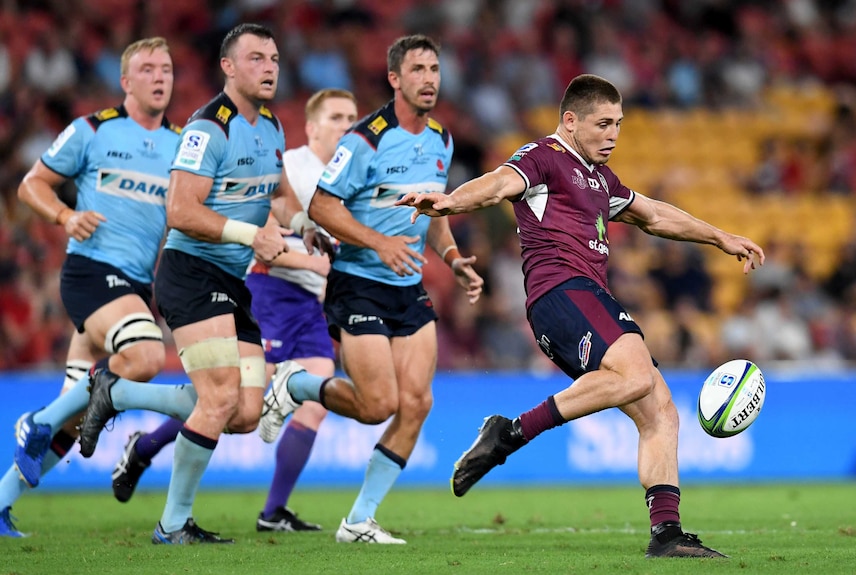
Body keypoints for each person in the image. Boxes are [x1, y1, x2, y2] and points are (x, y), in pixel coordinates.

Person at [395, 73, 765, 559]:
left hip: (586, 296)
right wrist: (449, 202)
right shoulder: (543, 157)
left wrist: (719, 236)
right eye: (603, 124)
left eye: (619, 125)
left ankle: (667, 534)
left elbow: (652, 215)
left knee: (660, 410)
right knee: (635, 374)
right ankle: (511, 432)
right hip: (561, 291)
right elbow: (497, 184)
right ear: (570, 121)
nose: (613, 135)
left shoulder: (599, 178)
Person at [77, 23, 330, 545]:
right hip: (190, 272)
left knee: (242, 412)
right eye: (256, 58)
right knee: (216, 398)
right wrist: (249, 234)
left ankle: (117, 392)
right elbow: (180, 209)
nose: (269, 67)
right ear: (229, 68)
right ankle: (172, 526)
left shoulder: (273, 128)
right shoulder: (207, 129)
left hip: (232, 280)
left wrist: (304, 225)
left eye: (275, 58)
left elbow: (278, 196)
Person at [259, 34, 484, 544]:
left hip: (408, 287)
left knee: (418, 403)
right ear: (395, 79)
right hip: (358, 283)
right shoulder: (366, 139)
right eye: (418, 70)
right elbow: (321, 206)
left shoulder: (442, 140)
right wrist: (379, 242)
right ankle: (294, 386)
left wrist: (452, 260)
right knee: (377, 404)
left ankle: (358, 520)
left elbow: (435, 210)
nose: (429, 78)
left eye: (434, 68)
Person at [109, 89, 359, 535]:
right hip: (271, 289)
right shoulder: (296, 165)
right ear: (313, 126)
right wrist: (312, 260)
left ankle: (273, 510)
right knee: (233, 400)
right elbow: (263, 235)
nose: (346, 125)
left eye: (352, 117)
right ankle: (145, 449)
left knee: (301, 403)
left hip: (310, 303)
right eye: (336, 117)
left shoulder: (351, 170)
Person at [0, 37, 183, 538]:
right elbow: (30, 184)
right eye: (147, 69)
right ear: (126, 81)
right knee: (145, 357)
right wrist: (65, 215)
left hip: (135, 287)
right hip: (92, 272)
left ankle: (0, 500)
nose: (159, 76)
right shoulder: (92, 131)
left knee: (77, 418)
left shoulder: (181, 144)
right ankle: (36, 421)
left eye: (166, 68)